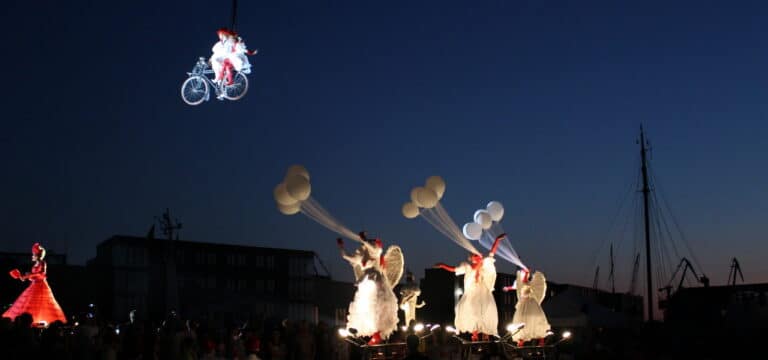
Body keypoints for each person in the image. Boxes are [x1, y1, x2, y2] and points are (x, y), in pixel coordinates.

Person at [434, 234, 506, 341]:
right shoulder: (466, 266)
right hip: (472, 292)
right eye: (474, 255)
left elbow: (492, 253)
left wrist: (497, 241)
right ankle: (475, 334)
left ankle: (485, 334)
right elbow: (453, 269)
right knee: (472, 312)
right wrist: (443, 265)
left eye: (477, 255)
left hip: (482, 291)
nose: (476, 257)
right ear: (471, 258)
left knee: (485, 310)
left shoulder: (484, 265)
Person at [338, 232, 402, 345]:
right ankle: (366, 335)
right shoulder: (361, 256)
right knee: (366, 307)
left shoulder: (376, 252)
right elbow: (345, 256)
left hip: (376, 280)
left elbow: (373, 249)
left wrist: (364, 240)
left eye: (370, 243)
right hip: (365, 282)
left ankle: (378, 334)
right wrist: (341, 246)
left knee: (378, 306)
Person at [3, 243, 67, 326]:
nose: (32, 256)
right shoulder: (35, 264)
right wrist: (26, 276)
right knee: (28, 303)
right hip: (34, 284)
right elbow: (35, 275)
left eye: (34, 254)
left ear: (37, 255)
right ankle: (26, 321)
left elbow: (42, 274)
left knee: (39, 303)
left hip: (41, 285)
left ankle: (36, 322)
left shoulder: (42, 263)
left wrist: (28, 276)